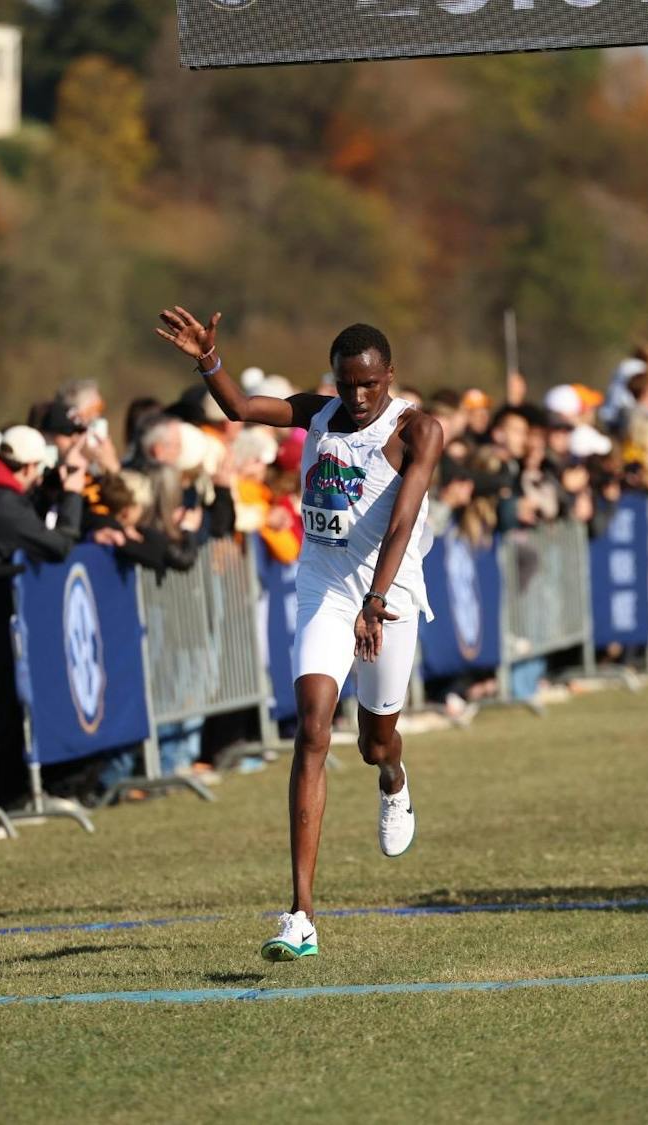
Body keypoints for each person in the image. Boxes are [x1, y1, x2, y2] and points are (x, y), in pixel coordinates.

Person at [157, 305, 442, 963]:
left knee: (374, 742)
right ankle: (301, 913)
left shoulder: (419, 429)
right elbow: (237, 408)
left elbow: (401, 523)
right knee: (312, 729)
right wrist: (207, 358)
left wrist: (376, 599)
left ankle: (394, 779)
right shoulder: (319, 412)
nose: (358, 396)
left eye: (370, 383)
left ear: (390, 376)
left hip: (388, 594)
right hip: (324, 586)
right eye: (347, 384)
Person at [0, 424, 89, 808]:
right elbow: (57, 545)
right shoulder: (2, 506)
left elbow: (20, 513)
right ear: (26, 467)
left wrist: (47, 491)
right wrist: (72, 496)